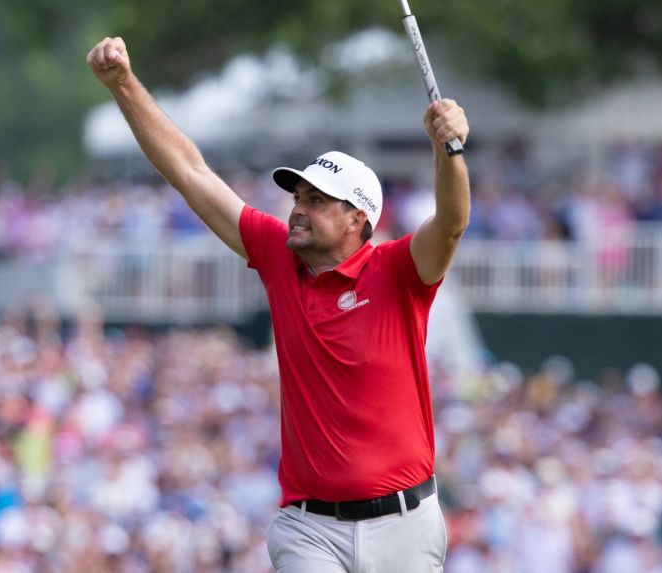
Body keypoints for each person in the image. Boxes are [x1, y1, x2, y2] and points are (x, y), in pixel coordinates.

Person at [87, 35, 470, 573]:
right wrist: (123, 86)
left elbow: (451, 225)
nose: (297, 210)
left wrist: (447, 150)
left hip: (405, 527)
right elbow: (191, 172)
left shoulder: (399, 270)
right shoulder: (276, 256)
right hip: (309, 528)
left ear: (358, 219)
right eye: (297, 197)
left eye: (316, 201)